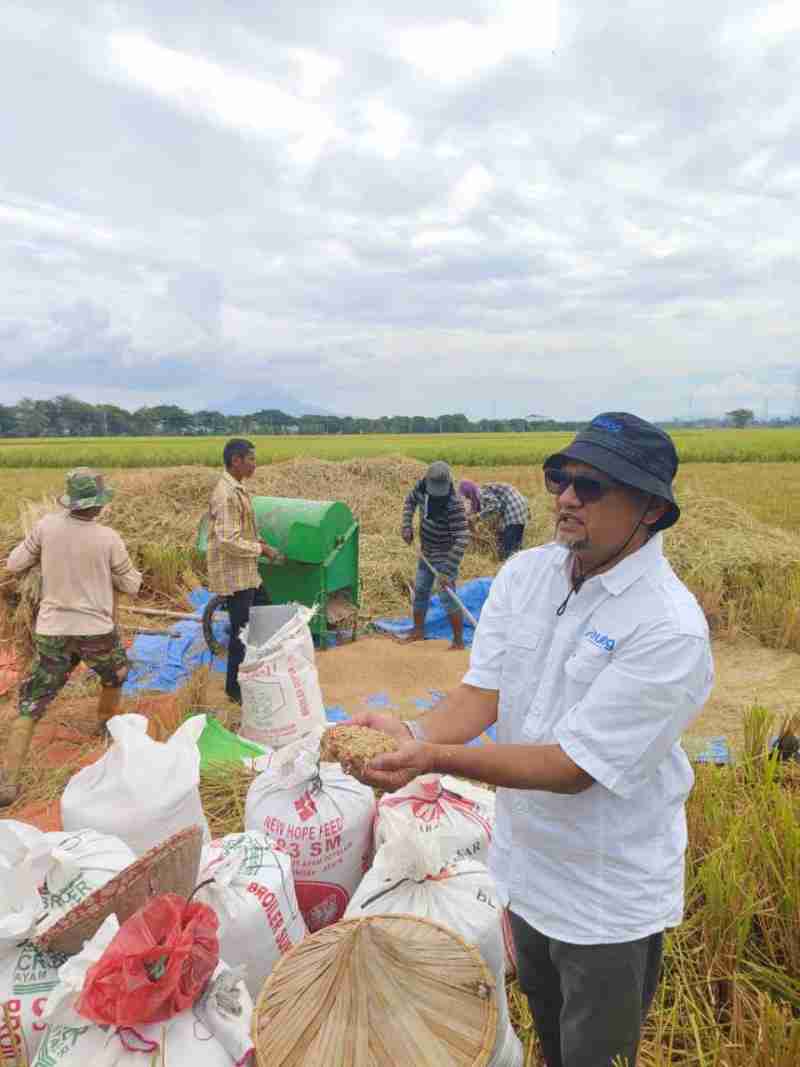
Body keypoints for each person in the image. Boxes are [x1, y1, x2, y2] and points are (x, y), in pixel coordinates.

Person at [357, 413, 714, 1067]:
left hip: (606, 894)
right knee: (548, 1034)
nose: (567, 497)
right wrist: (411, 731)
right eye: (562, 478)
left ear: (653, 510)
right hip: (525, 869)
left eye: (593, 485)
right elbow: (484, 692)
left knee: (594, 1054)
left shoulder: (668, 628)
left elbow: (572, 765)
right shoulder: (527, 576)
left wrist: (430, 758)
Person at [0, 468, 142, 807]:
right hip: (95, 630)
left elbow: (15, 563)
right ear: (97, 505)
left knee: (32, 702)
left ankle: (7, 782)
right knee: (116, 673)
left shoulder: (46, 527)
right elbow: (132, 585)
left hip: (53, 630)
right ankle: (106, 726)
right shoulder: (108, 538)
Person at [207, 438, 283, 705]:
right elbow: (228, 539)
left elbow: (244, 529)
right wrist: (261, 550)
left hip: (247, 571)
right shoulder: (227, 494)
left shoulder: (237, 489)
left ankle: (259, 672)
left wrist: (261, 543)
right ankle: (235, 690)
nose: (254, 463)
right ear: (236, 461)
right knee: (242, 631)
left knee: (266, 614)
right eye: (250, 459)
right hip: (236, 574)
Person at [401, 460, 469, 650]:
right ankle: (418, 630)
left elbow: (463, 538)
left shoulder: (453, 504)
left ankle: (458, 641)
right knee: (421, 590)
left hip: (446, 554)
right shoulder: (421, 488)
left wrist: (447, 570)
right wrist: (406, 525)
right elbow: (409, 501)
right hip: (426, 551)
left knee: (446, 596)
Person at [458, 479, 530, 559]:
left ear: (470, 493)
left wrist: (478, 517)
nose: (468, 500)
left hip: (514, 510)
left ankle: (510, 561)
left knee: (508, 551)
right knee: (515, 545)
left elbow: (495, 505)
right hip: (518, 509)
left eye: (467, 497)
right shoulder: (480, 496)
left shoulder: (482, 492)